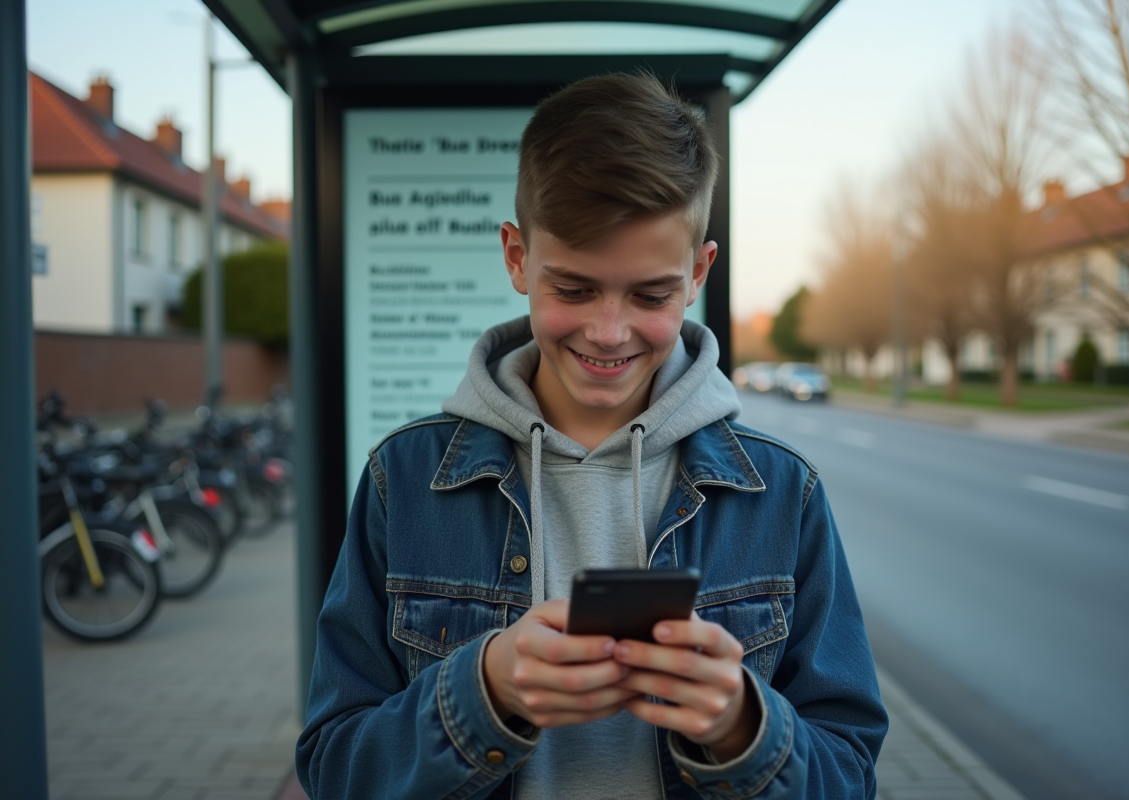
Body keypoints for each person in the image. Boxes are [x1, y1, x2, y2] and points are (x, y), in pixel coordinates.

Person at [296, 72, 887, 799]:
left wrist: (744, 725)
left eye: (650, 294)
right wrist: (481, 692)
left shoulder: (783, 493)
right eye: (573, 289)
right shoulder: (406, 478)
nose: (609, 333)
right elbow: (332, 768)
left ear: (699, 272)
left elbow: (851, 776)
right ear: (517, 257)